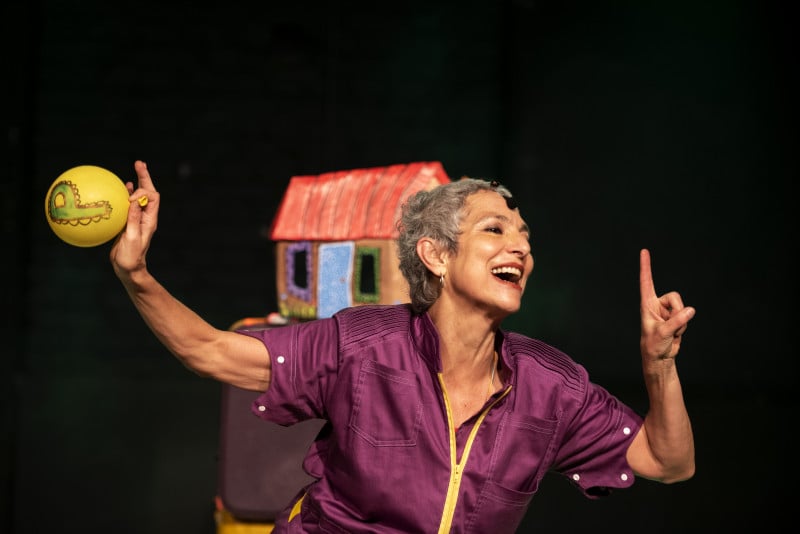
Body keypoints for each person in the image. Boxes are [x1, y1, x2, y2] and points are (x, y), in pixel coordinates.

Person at [111, 160, 695, 533]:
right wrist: (137, 276)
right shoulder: (362, 346)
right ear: (436, 256)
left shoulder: (552, 387)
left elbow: (670, 463)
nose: (519, 246)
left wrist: (659, 366)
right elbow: (211, 351)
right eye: (495, 229)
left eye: (525, 237)